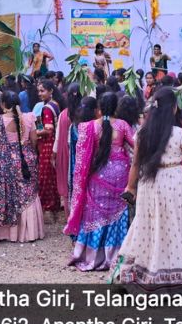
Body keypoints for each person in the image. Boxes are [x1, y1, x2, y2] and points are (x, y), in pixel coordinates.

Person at [111, 87, 182, 291]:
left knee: (148, 226)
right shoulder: (179, 134)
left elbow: (135, 164)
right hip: (174, 184)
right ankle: (169, 279)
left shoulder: (143, 133)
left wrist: (131, 187)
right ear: (174, 108)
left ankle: (140, 272)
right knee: (173, 228)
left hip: (149, 183)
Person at [65, 93, 134, 271]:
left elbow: (82, 156)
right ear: (116, 107)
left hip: (97, 173)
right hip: (120, 173)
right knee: (118, 214)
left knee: (94, 213)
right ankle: (115, 255)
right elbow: (136, 144)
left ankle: (92, 255)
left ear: (99, 108)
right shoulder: (123, 125)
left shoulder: (89, 126)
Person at [0, 91, 44, 242]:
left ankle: (4, 234)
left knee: (4, 193)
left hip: (4, 161)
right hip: (26, 159)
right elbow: (34, 139)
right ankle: (29, 233)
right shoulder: (29, 117)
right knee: (27, 193)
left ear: (3, 104)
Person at [35, 79, 61, 216]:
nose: (40, 94)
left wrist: (33, 132)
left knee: (45, 176)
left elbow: (48, 130)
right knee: (51, 175)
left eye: (42, 91)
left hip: (48, 144)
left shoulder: (46, 108)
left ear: (50, 91)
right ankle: (53, 207)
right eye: (38, 91)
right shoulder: (54, 104)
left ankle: (47, 207)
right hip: (53, 143)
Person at [54, 83, 81, 213]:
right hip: (81, 153)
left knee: (67, 182)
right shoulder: (86, 114)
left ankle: (69, 216)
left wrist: (54, 154)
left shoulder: (63, 115)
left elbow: (58, 137)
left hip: (66, 152)